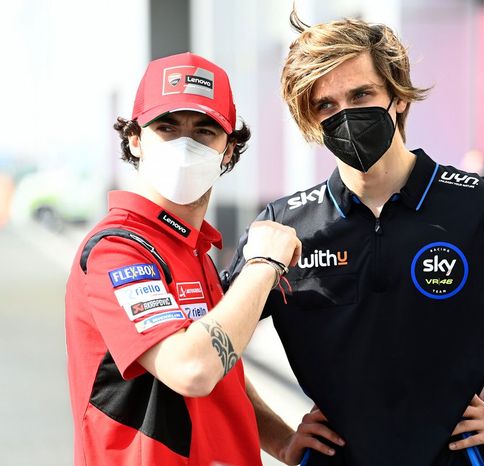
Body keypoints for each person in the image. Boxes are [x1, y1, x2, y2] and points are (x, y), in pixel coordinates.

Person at [224, 13, 484, 466]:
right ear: (310, 118)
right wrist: (279, 439)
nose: (346, 115)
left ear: (398, 96)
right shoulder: (284, 227)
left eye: (361, 94)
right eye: (326, 105)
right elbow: (211, 348)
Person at [65, 52, 344, 466]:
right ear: (135, 139)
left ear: (228, 151)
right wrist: (263, 266)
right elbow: (193, 369)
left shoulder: (194, 250)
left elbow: (221, 364)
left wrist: (283, 441)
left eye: (204, 131)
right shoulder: (116, 249)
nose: (185, 145)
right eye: (167, 127)